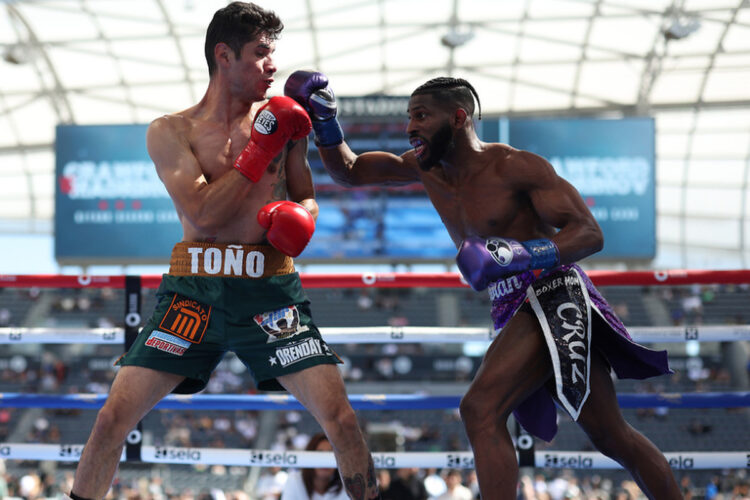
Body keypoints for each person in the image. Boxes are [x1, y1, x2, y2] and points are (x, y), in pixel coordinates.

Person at [283, 71, 682, 499]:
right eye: (408, 117)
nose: (410, 127)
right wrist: (325, 120)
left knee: (480, 410)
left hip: (552, 292)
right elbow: (349, 171)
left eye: (421, 116)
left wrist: (520, 254)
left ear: (458, 118)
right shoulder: (424, 168)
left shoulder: (515, 167)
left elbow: (589, 232)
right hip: (510, 305)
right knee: (611, 436)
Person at [66, 4, 379, 500]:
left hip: (269, 291)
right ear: (224, 55)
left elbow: (305, 196)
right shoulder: (172, 131)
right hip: (194, 292)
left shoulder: (286, 122)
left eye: (273, 55)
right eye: (261, 54)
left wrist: (304, 219)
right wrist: (260, 149)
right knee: (111, 418)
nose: (273, 67)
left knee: (341, 419)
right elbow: (205, 214)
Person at [281, 433, 348, 500]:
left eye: (330, 454)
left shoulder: (345, 487)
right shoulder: (294, 481)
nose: (325, 461)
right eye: (319, 453)